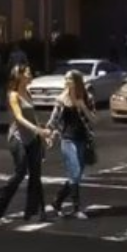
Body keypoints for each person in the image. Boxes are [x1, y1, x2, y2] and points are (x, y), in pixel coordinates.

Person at [0, 63, 55, 223]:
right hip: (18, 139)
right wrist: (38, 131)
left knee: (36, 175)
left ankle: (34, 212)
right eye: (28, 73)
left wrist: (43, 135)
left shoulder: (28, 93)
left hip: (32, 138)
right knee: (20, 173)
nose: (31, 74)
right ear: (20, 76)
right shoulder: (13, 95)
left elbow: (33, 117)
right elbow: (19, 117)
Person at [47, 70, 96, 219]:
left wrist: (82, 106)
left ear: (77, 81)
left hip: (83, 139)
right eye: (66, 79)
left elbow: (94, 119)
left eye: (70, 79)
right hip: (67, 139)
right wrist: (49, 134)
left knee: (76, 175)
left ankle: (57, 201)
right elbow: (53, 120)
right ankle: (76, 209)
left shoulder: (87, 98)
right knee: (74, 172)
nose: (67, 82)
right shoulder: (61, 99)